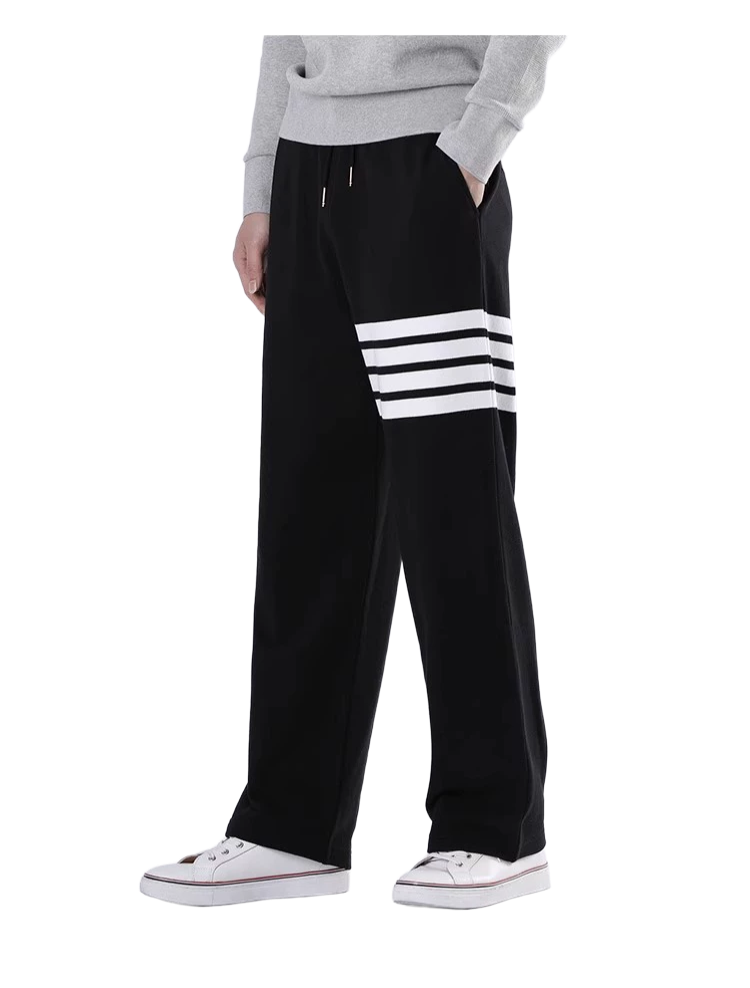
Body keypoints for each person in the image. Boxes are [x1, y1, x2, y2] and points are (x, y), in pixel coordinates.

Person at [139, 32, 568, 910]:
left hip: (429, 162)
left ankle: (497, 830)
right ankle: (289, 828)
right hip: (307, 170)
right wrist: (263, 186)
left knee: (453, 507)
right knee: (309, 513)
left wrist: (476, 141)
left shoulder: (450, 156)